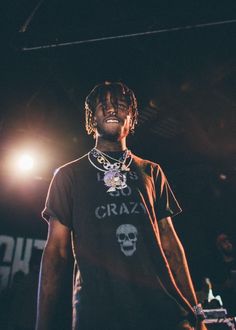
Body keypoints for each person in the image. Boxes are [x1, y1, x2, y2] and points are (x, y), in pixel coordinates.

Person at [36, 81, 207, 330]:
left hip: (163, 313)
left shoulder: (151, 171)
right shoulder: (68, 175)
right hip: (98, 315)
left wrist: (197, 314)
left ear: (132, 117)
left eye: (120, 104)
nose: (112, 110)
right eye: (103, 105)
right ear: (91, 117)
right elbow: (55, 255)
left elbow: (170, 244)